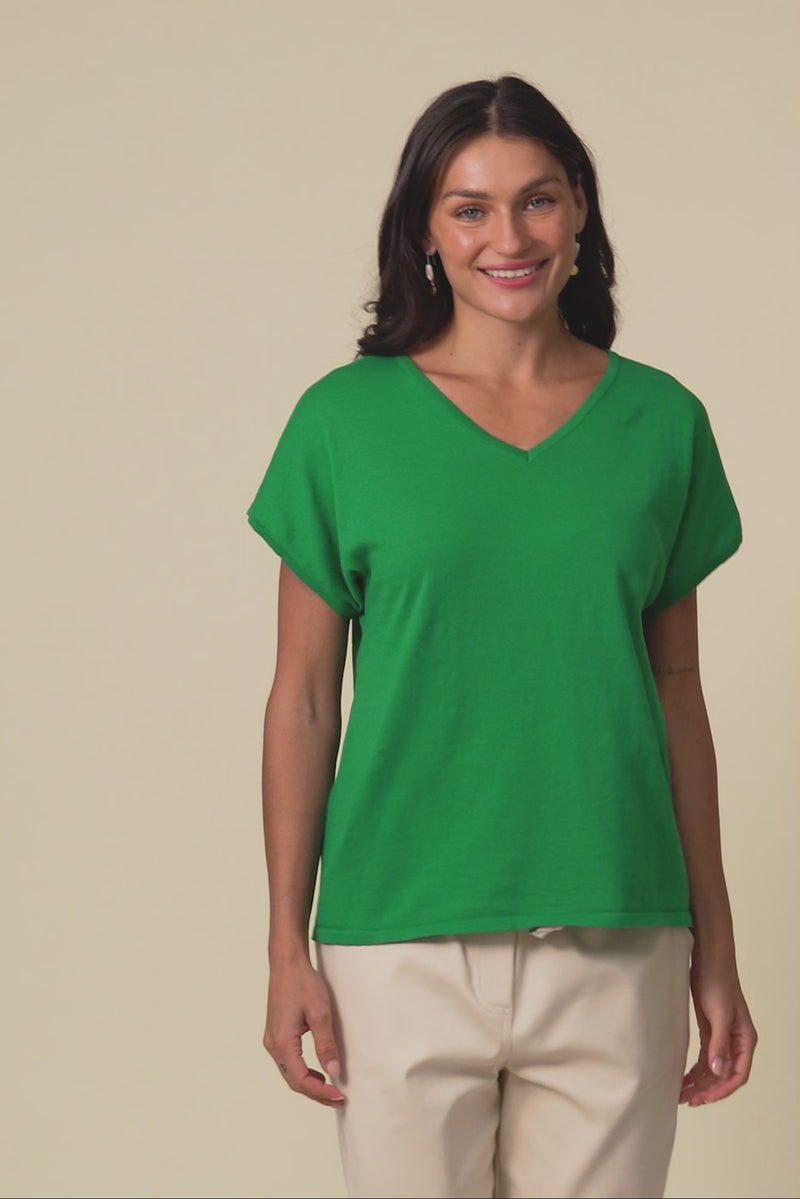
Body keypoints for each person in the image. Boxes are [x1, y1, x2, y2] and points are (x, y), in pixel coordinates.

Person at [246, 74, 757, 1199]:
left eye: (537, 199)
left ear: (579, 212)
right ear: (424, 231)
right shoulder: (342, 422)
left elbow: (676, 692)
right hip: (396, 938)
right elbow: (305, 699)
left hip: (619, 925)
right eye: (469, 207)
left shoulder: (661, 424)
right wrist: (287, 945)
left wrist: (714, 945)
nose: (508, 237)